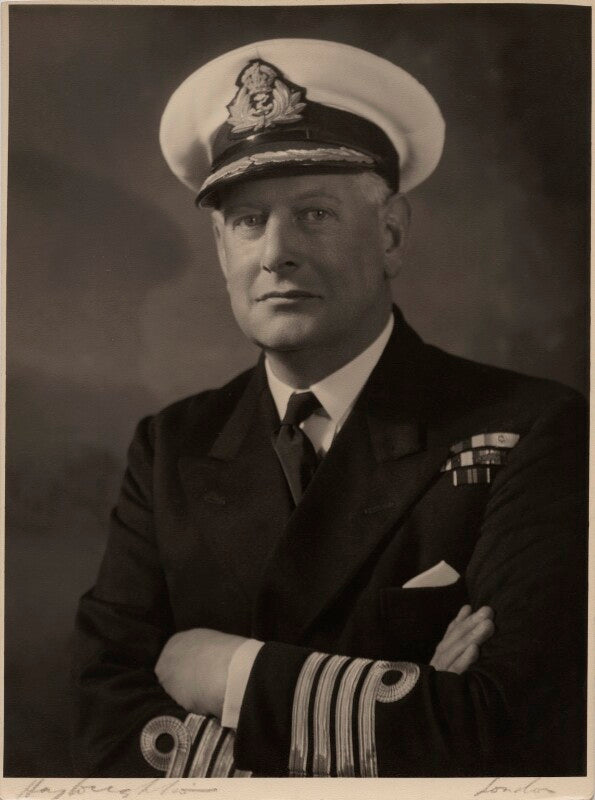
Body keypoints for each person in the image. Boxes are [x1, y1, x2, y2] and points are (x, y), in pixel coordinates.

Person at [72, 38, 587, 778]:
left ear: (391, 234)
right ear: (221, 248)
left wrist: (227, 674)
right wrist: (410, 705)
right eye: (247, 220)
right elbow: (103, 724)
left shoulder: (531, 429)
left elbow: (512, 730)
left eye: (314, 213)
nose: (275, 253)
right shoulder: (170, 446)